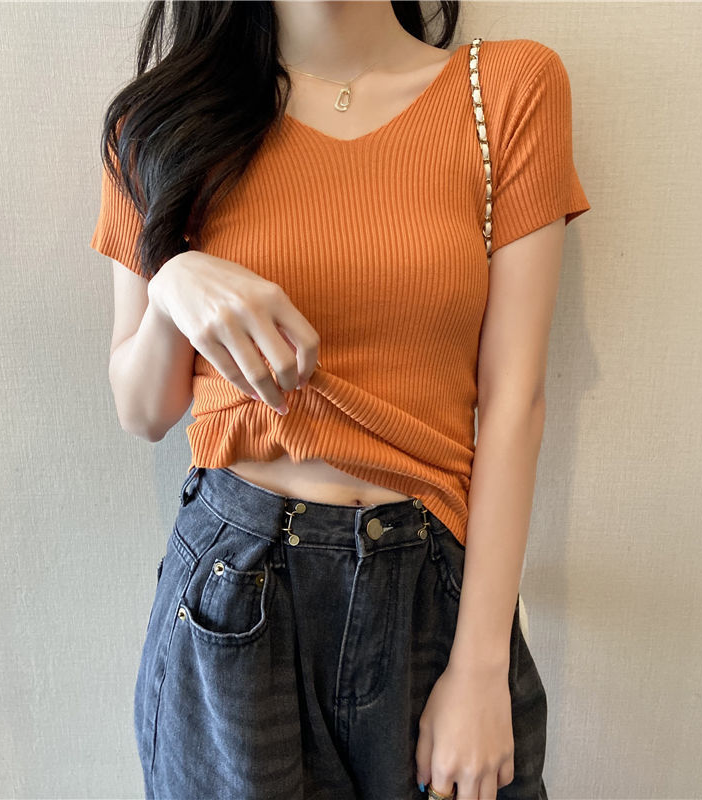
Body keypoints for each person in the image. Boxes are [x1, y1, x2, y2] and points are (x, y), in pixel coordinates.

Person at [90, 2, 590, 798]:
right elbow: (143, 411)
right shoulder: (163, 121)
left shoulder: (503, 91)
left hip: (432, 586)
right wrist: (173, 283)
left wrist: (479, 666)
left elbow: (515, 401)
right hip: (235, 586)